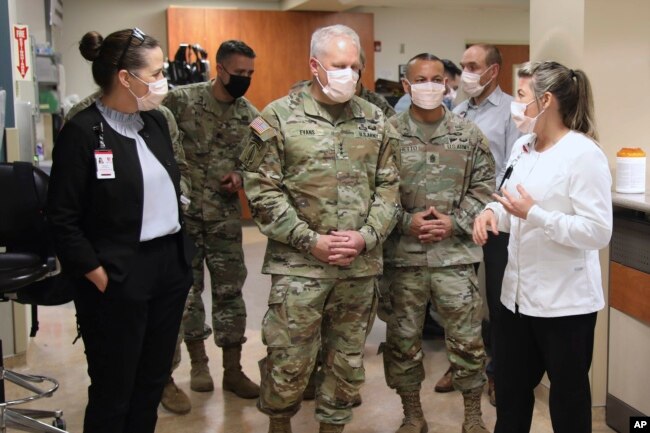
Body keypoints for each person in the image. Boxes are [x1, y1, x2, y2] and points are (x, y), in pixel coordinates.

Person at [239, 24, 401, 433]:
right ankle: (280, 423)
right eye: (338, 65)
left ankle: (333, 426)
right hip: (299, 268)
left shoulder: (376, 120)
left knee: (346, 362)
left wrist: (367, 235)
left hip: (358, 267)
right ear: (315, 65)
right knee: (288, 359)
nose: (349, 73)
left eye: (354, 66)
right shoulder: (276, 117)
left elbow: (390, 189)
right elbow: (262, 191)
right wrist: (309, 241)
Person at [47, 28, 194, 433]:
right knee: (115, 389)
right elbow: (62, 217)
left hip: (168, 269)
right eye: (157, 71)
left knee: (150, 384)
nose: (164, 80)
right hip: (116, 274)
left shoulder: (156, 123)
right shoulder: (81, 131)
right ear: (126, 78)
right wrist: (97, 274)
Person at [473, 61, 612, 433]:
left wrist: (536, 215)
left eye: (520, 96)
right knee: (512, 398)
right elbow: (509, 201)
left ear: (545, 100)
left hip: (564, 306)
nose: (515, 106)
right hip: (516, 300)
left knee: (568, 405)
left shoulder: (583, 154)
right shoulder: (522, 146)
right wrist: (490, 213)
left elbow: (598, 232)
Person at [382, 53, 495, 433]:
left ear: (446, 84)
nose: (429, 85)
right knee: (402, 341)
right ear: (406, 85)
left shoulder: (469, 134)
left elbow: (484, 188)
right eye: (420, 79)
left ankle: (473, 415)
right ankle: (412, 413)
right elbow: (371, 193)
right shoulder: (387, 133)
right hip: (402, 258)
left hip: (455, 258)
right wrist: (404, 221)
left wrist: (455, 222)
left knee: (466, 340)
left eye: (436, 79)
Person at [163, 39, 261, 401]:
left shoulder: (251, 116)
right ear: (219, 69)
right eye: (239, 73)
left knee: (229, 294)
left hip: (223, 219)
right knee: (185, 295)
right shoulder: (180, 101)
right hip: (182, 218)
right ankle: (193, 364)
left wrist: (241, 177)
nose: (245, 79)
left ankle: (233, 370)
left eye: (250, 73)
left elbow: (260, 165)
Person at [433, 44, 521, 403]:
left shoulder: (510, 113)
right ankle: (461, 363)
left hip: (495, 218)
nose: (466, 71)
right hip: (457, 219)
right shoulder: (458, 109)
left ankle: (498, 372)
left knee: (497, 301)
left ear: (493, 71)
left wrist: (487, 208)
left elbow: (513, 168)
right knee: (458, 299)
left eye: (474, 66)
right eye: (465, 64)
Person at [394, 58, 462, 113]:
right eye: (454, 88)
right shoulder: (407, 103)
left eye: (456, 89)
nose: (453, 93)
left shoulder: (446, 104)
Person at [357, 47, 396, 117]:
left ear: (363, 67)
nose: (347, 71)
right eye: (339, 66)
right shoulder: (330, 102)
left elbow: (395, 126)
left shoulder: (378, 103)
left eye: (353, 65)